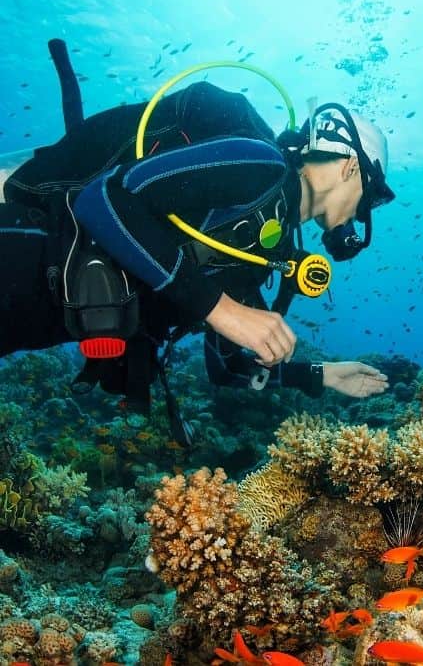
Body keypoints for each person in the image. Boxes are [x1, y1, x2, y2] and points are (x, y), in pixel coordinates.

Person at [0, 51, 394, 444]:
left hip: (42, 317)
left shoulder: (266, 250)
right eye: (371, 199)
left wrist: (321, 375)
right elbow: (103, 198)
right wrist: (222, 310)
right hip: (29, 255)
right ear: (351, 167)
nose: (362, 215)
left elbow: (226, 366)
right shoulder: (261, 164)